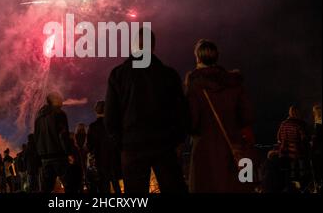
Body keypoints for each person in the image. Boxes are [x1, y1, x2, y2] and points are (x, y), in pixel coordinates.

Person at [105, 28, 189, 193]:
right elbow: (181, 111)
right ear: (153, 46)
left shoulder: (118, 75)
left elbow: (110, 116)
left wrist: (120, 142)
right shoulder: (168, 74)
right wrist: (178, 139)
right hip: (164, 144)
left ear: (133, 45)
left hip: (132, 145)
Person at [185, 39, 255, 193]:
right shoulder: (234, 83)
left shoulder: (194, 85)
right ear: (217, 57)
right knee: (240, 186)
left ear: (197, 58)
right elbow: (247, 116)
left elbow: (192, 122)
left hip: (205, 150)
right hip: (236, 147)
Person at [34, 91, 73, 193]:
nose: (62, 100)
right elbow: (63, 135)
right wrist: (69, 152)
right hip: (59, 155)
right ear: (54, 100)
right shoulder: (59, 113)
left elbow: (36, 137)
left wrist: (40, 155)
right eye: (59, 98)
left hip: (45, 158)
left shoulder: (38, 117)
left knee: (46, 188)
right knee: (70, 185)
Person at [87, 101, 122, 193]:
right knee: (116, 183)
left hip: (100, 159)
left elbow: (89, 146)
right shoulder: (113, 124)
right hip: (114, 158)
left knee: (104, 185)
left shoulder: (93, 126)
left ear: (96, 111)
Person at [277, 105, 308, 191]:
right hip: (297, 152)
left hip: (284, 153)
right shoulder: (299, 124)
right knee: (301, 173)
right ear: (297, 113)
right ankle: (302, 188)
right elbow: (304, 138)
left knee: (288, 174)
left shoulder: (283, 124)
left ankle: (290, 189)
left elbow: (279, 138)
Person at [311, 104, 322, 191]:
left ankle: (319, 183)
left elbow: (318, 135)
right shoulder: (317, 121)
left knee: (318, 166)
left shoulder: (319, 122)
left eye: (314, 111)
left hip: (318, 148)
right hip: (318, 147)